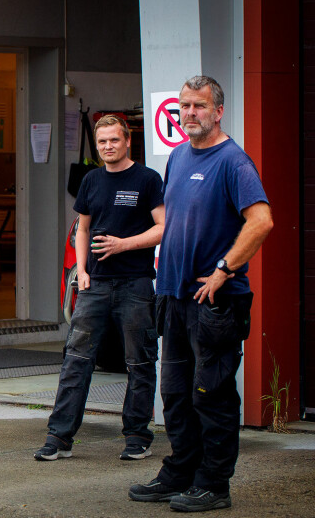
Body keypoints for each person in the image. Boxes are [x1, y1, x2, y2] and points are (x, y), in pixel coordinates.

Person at [130, 76, 273, 512]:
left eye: (198, 106)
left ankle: (214, 484)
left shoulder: (234, 162)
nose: (188, 114)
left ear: (217, 111)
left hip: (214, 302)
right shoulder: (177, 156)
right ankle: (181, 472)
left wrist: (223, 270)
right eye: (183, 107)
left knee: (211, 395)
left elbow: (262, 221)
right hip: (173, 297)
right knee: (174, 393)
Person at [34, 115, 164, 462]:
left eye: (114, 140)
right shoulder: (91, 180)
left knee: (140, 361)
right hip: (95, 285)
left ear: (127, 142)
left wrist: (124, 245)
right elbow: (82, 228)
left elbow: (163, 227)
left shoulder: (147, 179)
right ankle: (59, 437)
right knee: (76, 360)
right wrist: (83, 270)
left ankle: (137, 435)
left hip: (136, 283)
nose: (108, 146)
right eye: (102, 141)